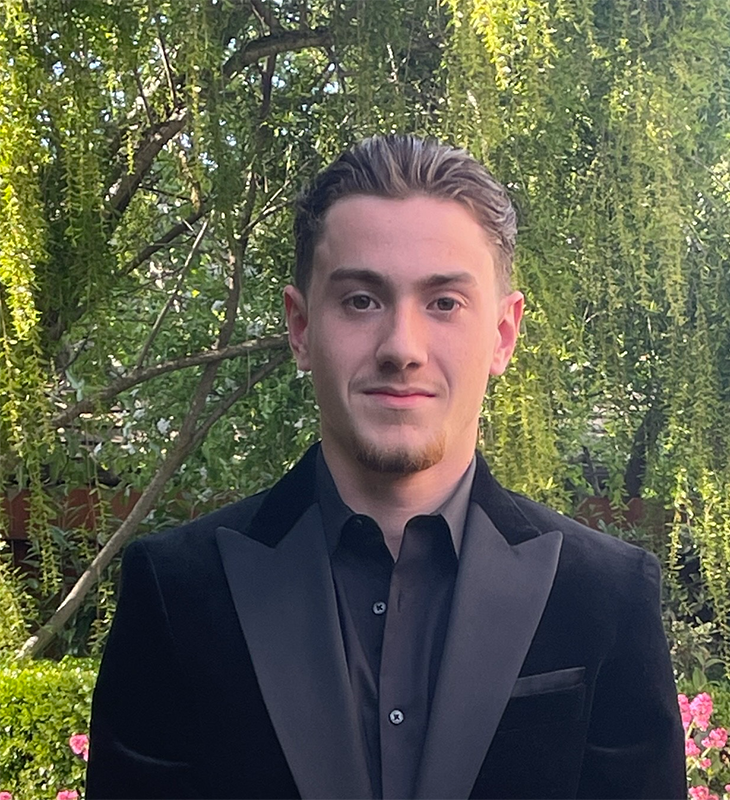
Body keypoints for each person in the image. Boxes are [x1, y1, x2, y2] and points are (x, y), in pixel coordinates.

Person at [87, 135, 685, 800]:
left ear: (503, 334)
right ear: (300, 326)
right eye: (361, 300)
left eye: (445, 303)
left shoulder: (607, 595)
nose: (402, 347)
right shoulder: (174, 593)